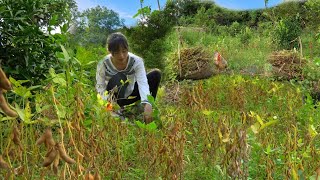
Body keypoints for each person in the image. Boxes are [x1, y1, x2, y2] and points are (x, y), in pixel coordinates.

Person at [96, 32, 161, 123]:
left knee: (156, 74)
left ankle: (146, 109)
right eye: (117, 52)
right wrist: (109, 107)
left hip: (131, 93)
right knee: (119, 77)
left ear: (128, 49)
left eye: (124, 51)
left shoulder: (136, 61)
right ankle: (119, 111)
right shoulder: (103, 64)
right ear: (109, 51)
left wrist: (148, 103)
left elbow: (142, 83)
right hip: (114, 98)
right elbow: (100, 88)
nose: (121, 56)